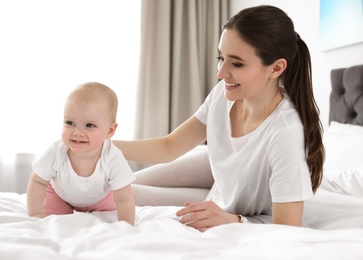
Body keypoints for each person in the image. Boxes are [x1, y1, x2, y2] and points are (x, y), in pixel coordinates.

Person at [114, 5, 324, 231]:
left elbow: (287, 228)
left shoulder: (285, 132)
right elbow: (169, 146)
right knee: (121, 181)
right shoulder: (224, 94)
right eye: (220, 57)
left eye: (236, 63)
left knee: (114, 191)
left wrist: (235, 220)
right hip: (215, 171)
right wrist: (102, 145)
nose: (221, 72)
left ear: (276, 68)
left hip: (234, 196)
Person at [27, 82, 136, 225]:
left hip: (101, 199)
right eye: (70, 123)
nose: (77, 132)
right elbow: (38, 181)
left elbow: (124, 198)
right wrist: (36, 213)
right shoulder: (56, 151)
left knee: (110, 211)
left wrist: (126, 226)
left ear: (109, 131)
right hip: (61, 196)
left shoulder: (112, 157)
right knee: (55, 223)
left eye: (89, 125)